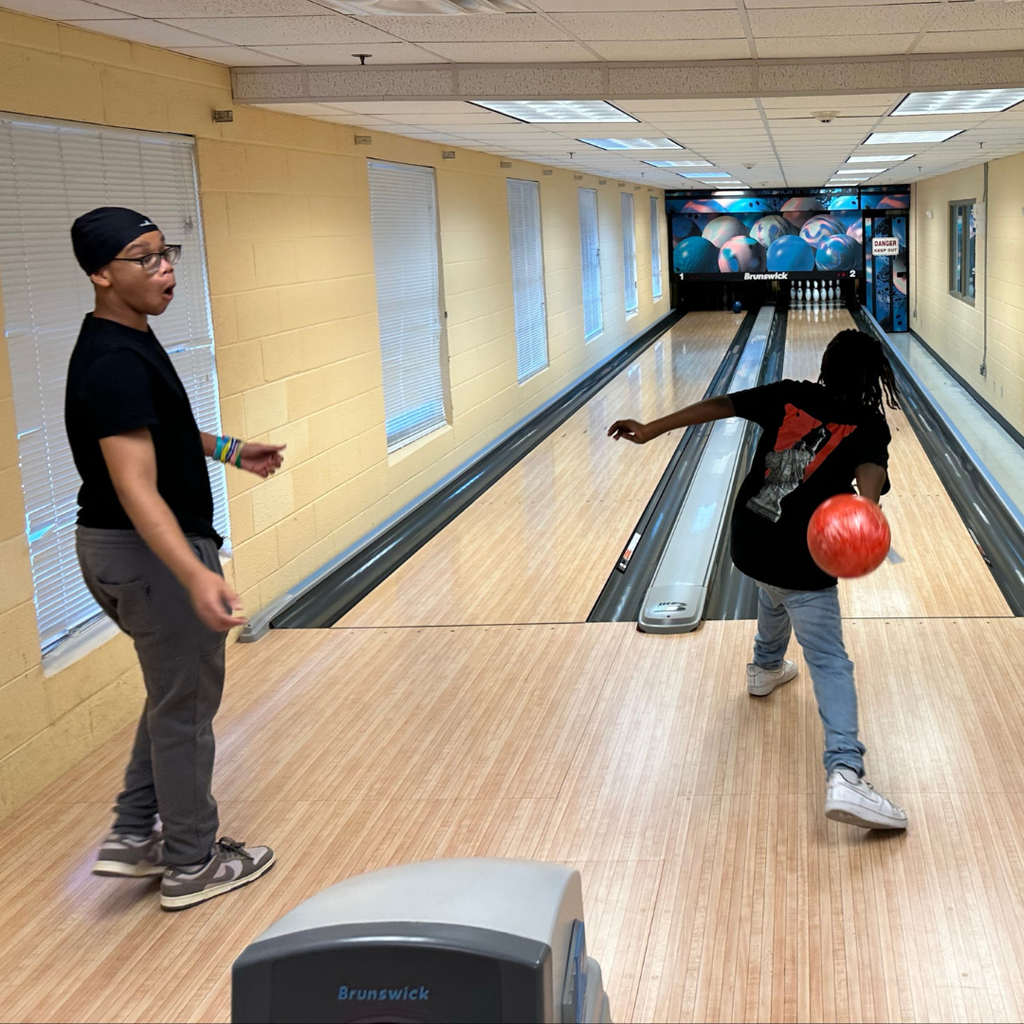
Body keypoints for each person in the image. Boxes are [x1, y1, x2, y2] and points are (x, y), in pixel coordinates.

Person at [65, 207, 285, 908]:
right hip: (149, 555)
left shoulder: (122, 338)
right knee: (187, 706)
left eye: (167, 253)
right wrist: (195, 574)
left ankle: (135, 835)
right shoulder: (112, 361)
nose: (166, 270)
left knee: (173, 695)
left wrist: (229, 449)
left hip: (117, 550)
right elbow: (134, 485)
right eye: (145, 258)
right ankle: (192, 863)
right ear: (101, 273)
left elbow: (155, 430)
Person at [608, 329, 907, 831]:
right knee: (830, 660)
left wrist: (652, 428)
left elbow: (720, 405)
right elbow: (871, 475)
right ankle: (846, 773)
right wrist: (866, 512)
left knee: (774, 590)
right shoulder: (869, 423)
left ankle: (765, 667)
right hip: (803, 558)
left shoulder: (788, 392)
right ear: (873, 378)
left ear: (826, 364)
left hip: (749, 539)